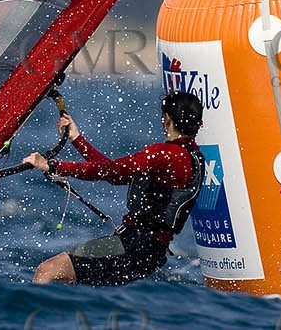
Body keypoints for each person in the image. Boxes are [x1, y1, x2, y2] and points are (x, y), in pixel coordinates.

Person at [22, 90, 205, 286]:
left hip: (133, 246)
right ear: (198, 124)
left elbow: (111, 171)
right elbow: (114, 173)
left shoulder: (165, 154)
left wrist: (53, 166)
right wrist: (77, 139)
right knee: (72, 280)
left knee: (48, 270)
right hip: (150, 251)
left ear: (167, 118)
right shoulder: (193, 158)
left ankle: (30, 315)